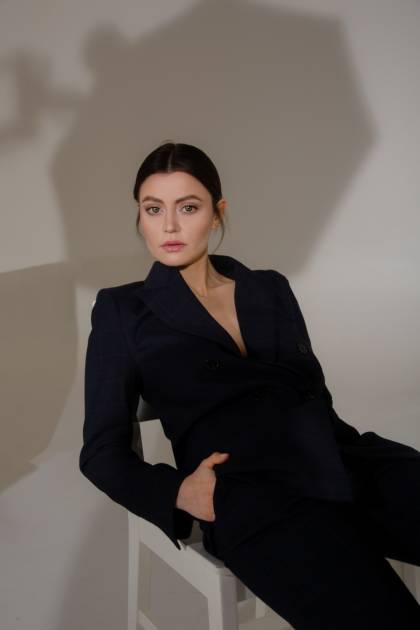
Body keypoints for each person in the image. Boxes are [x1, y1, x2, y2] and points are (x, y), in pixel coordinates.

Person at [80, 141, 420, 628]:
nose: (169, 226)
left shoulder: (270, 287)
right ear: (140, 215)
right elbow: (100, 452)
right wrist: (179, 492)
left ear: (217, 213)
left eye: (188, 207)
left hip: (344, 460)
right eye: (153, 209)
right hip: (254, 496)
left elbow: (315, 396)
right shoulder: (123, 311)